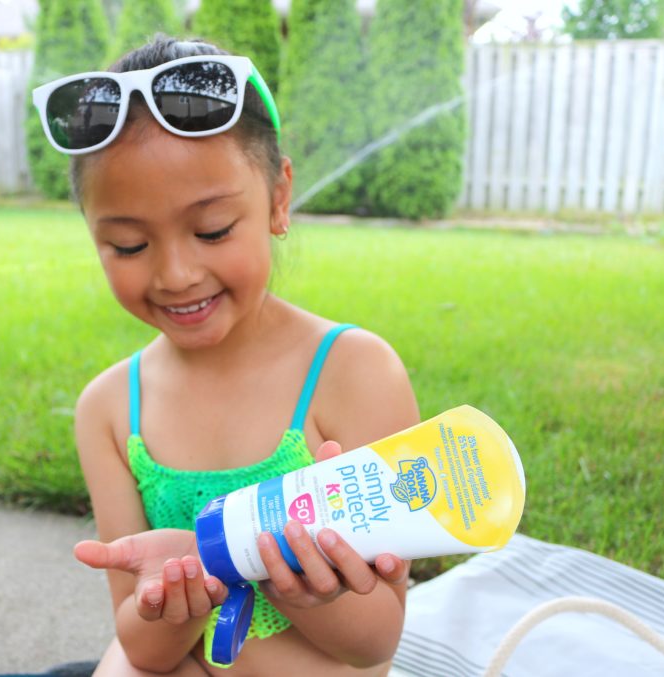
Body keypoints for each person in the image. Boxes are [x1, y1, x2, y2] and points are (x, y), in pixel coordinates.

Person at [33, 34, 421, 676]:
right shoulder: (109, 409)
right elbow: (143, 648)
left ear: (277, 197)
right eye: (128, 245)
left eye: (212, 231)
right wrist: (172, 600)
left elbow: (375, 644)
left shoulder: (354, 374)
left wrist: (293, 583)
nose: (176, 274)